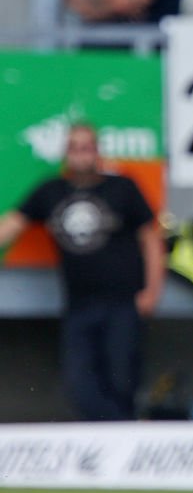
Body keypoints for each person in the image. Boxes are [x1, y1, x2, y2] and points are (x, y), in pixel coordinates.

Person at [0, 123, 165, 420]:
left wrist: (152, 291)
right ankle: (107, 440)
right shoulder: (51, 191)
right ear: (66, 154)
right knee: (80, 384)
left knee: (123, 378)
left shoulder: (123, 188)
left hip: (124, 302)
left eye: (86, 147)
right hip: (79, 304)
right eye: (74, 148)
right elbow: (10, 226)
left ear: (97, 151)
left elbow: (151, 241)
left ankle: (124, 439)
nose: (81, 154)